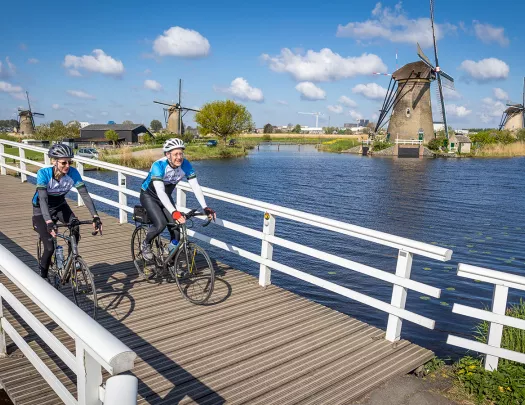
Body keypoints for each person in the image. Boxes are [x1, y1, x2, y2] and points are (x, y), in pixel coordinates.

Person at [32, 144, 102, 279]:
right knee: (49, 248)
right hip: (41, 209)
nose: (67, 165)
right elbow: (43, 200)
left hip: (60, 205)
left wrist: (95, 216)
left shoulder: (73, 173)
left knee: (75, 225)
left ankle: (73, 259)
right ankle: (43, 278)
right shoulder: (44, 174)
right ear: (53, 161)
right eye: (64, 162)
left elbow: (84, 195)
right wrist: (48, 221)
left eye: (70, 162)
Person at [140, 138, 216, 260]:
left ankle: (171, 261)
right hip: (149, 196)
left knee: (176, 230)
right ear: (167, 155)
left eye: (181, 153)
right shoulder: (158, 165)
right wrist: (174, 212)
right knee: (160, 224)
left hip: (166, 196)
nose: (179, 157)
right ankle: (146, 243)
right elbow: (160, 191)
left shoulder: (185, 164)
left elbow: (195, 186)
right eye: (176, 154)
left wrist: (205, 207)